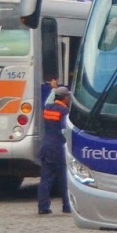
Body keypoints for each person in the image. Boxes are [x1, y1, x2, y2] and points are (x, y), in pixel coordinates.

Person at [37, 84, 70, 215]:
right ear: (64, 98)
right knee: (63, 179)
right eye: (68, 96)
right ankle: (67, 206)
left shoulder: (47, 108)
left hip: (46, 147)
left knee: (45, 179)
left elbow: (49, 100)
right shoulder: (64, 111)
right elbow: (64, 130)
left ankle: (42, 207)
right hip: (58, 149)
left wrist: (53, 88)